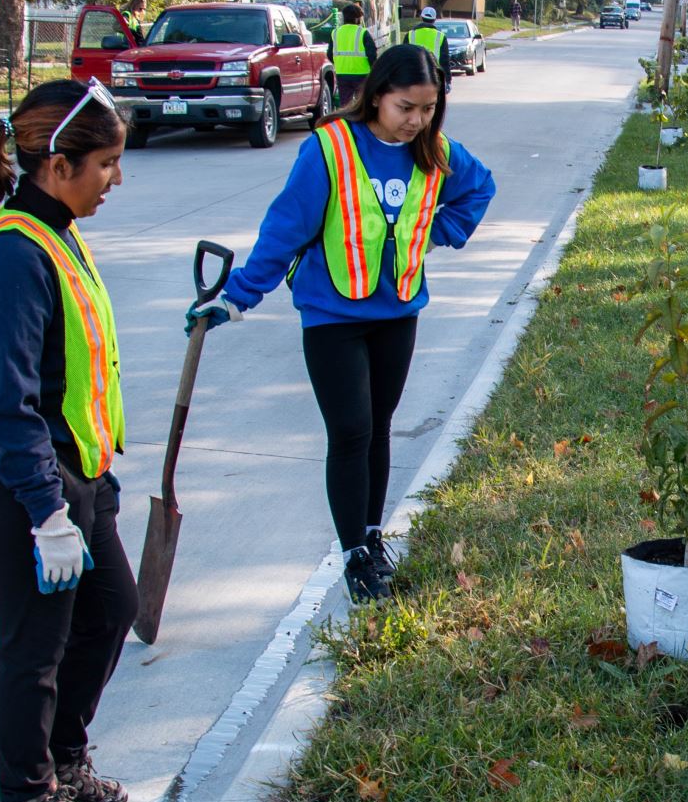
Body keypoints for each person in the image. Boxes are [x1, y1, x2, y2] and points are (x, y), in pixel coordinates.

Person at [187, 44, 495, 603]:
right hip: (333, 316)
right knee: (350, 429)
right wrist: (236, 298)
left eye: (428, 109)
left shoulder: (435, 151)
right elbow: (285, 228)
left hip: (397, 312)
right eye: (406, 107)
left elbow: (479, 188)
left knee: (379, 427)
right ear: (377, 95)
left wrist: (437, 230)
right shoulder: (328, 148)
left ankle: (373, 536)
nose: (416, 120)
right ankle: (353, 552)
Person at [0, 78, 136, 802]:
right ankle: (24, 798)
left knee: (110, 608)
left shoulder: (53, 232)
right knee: (34, 643)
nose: (115, 178)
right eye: (107, 163)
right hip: (5, 475)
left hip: (66, 465)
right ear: (58, 167)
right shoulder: (13, 256)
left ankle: (64, 756)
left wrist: (93, 478)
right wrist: (47, 511)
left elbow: (70, 373)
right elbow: (6, 401)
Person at [327, 2, 378, 108]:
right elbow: (372, 54)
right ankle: (362, 123)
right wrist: (374, 69)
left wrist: (340, 63)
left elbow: (329, 54)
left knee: (345, 105)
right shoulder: (363, 32)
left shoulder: (335, 33)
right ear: (357, 18)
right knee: (364, 104)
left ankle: (347, 123)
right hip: (362, 74)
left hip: (342, 74)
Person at [406, 6, 452, 92]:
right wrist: (448, 80)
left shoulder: (410, 34)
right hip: (434, 76)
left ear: (421, 17)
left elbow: (403, 57)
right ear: (434, 20)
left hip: (413, 76)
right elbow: (444, 60)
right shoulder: (440, 36)